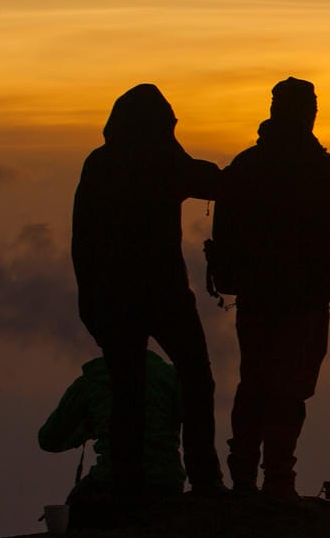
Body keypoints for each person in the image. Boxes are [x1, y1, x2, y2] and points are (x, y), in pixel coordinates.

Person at [70, 83, 224, 499]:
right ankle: (205, 477)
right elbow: (207, 180)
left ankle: (127, 481)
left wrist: (89, 301)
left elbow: (81, 242)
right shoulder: (161, 159)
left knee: (127, 389)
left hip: (113, 299)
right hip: (164, 294)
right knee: (195, 378)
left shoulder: (101, 164)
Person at [214, 76, 330, 498]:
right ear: (311, 113)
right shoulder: (327, 171)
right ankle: (279, 477)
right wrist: (323, 285)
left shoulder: (246, 166)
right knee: (290, 389)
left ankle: (244, 476)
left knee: (254, 382)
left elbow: (224, 234)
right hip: (304, 303)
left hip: (257, 299)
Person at [38, 351, 186, 523]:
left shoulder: (92, 379)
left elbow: (48, 439)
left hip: (110, 481)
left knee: (72, 508)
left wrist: (86, 431)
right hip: (166, 480)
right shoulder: (168, 375)